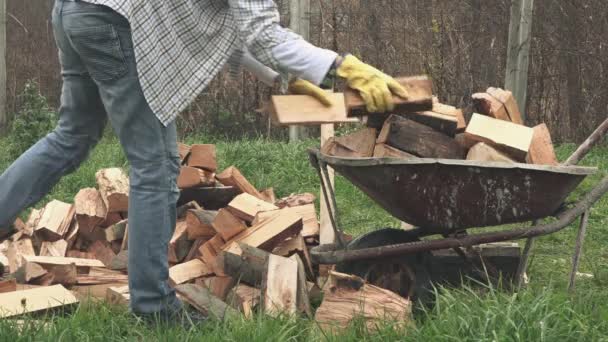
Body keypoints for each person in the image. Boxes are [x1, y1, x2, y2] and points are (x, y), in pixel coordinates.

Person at [0, 0, 408, 322]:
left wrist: (290, 77)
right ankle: (154, 306)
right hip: (114, 22)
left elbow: (233, 36)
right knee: (155, 167)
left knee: (71, 136)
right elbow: (262, 32)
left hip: (75, 11)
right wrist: (340, 68)